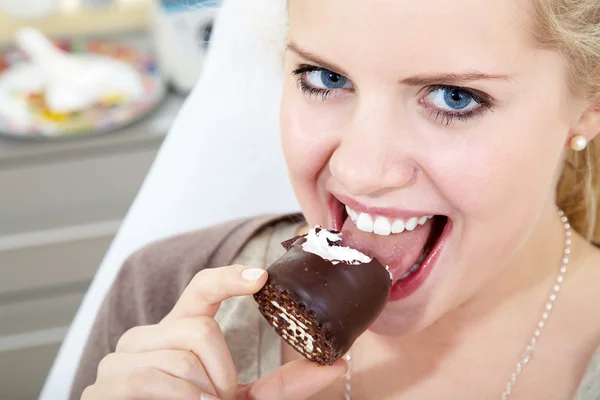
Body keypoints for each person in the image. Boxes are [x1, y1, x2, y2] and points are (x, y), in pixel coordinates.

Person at [72, 0, 600, 398]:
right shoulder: (160, 298)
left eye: (454, 98)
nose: (359, 171)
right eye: (325, 78)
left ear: (588, 107)